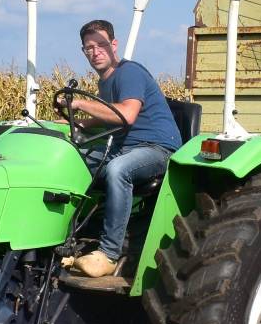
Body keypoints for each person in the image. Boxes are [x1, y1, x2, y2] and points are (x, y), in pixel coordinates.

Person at [58, 19, 181, 278]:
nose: (95, 51)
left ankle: (109, 254)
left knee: (118, 170)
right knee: (67, 159)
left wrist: (80, 104)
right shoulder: (105, 82)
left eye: (101, 44)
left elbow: (126, 115)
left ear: (114, 44)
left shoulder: (129, 72)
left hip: (156, 149)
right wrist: (76, 124)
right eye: (88, 47)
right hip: (124, 147)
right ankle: (61, 238)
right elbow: (107, 119)